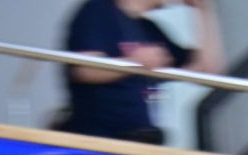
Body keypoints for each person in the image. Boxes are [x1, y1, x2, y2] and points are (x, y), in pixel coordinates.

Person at [63, 0, 220, 144]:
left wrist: (203, 11)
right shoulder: (98, 10)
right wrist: (136, 61)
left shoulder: (148, 29)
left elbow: (206, 70)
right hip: (102, 141)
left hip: (142, 143)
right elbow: (83, 69)